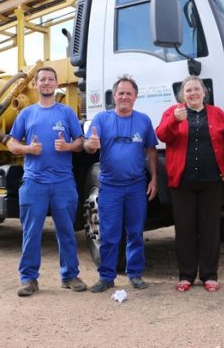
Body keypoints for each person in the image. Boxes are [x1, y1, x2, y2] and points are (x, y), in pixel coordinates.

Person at [6, 67, 87, 297]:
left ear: (56, 84)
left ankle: (70, 275)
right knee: (31, 232)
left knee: (67, 230)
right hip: (34, 182)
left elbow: (80, 142)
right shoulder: (26, 114)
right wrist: (27, 149)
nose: (46, 83)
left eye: (51, 79)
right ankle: (28, 279)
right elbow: (11, 143)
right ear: (35, 84)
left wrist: (68, 146)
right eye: (42, 79)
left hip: (63, 182)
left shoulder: (67, 113)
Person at [156, 76, 224, 292]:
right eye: (188, 90)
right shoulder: (173, 112)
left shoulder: (218, 114)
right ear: (182, 95)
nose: (192, 93)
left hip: (212, 181)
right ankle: (186, 275)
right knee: (185, 230)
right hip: (183, 182)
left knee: (210, 229)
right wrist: (174, 120)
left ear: (204, 92)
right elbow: (161, 135)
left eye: (196, 89)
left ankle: (209, 275)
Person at [83, 75, 158, 293]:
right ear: (114, 96)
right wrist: (91, 144)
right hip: (110, 187)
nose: (124, 97)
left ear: (135, 97)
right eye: (121, 93)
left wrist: (155, 179)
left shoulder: (143, 120)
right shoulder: (101, 119)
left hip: (136, 186)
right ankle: (106, 276)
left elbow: (151, 150)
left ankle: (135, 274)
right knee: (109, 234)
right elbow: (88, 145)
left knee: (135, 232)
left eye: (129, 93)